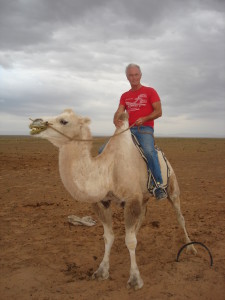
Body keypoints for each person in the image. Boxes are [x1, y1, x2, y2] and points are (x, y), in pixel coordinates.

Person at [113, 63, 167, 200]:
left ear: (140, 75)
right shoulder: (124, 95)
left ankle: (158, 185)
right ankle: (111, 185)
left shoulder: (150, 91)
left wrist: (145, 118)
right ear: (127, 77)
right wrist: (116, 119)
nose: (134, 77)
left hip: (144, 129)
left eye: (136, 74)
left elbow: (159, 112)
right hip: (127, 130)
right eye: (131, 75)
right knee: (104, 150)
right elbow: (119, 111)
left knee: (149, 151)